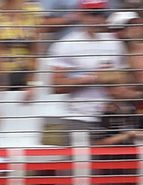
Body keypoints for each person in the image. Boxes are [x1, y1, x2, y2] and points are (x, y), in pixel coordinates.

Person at [48, 0, 126, 136]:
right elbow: (57, 86)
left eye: (101, 14)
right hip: (79, 117)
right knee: (82, 156)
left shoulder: (115, 43)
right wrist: (93, 78)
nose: (97, 19)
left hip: (110, 115)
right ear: (80, 15)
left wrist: (115, 92)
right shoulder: (67, 44)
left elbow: (121, 80)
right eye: (92, 14)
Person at [0, 0, 44, 91]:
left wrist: (31, 83)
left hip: (27, 72)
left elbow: (35, 50)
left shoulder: (33, 11)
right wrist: (0, 77)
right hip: (3, 72)